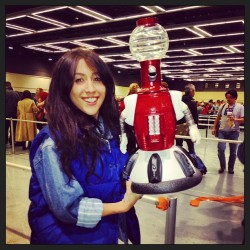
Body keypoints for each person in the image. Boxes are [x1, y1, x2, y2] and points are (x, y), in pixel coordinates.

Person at [28, 48, 142, 244]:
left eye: (97, 78)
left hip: (106, 235)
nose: (91, 88)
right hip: (65, 238)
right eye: (79, 80)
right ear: (65, 87)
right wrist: (122, 206)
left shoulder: (113, 131)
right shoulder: (53, 142)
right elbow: (67, 207)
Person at [212, 89, 244, 174]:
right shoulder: (223, 106)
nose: (228, 99)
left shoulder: (240, 107)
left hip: (234, 132)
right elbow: (218, 117)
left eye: (230, 98)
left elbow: (243, 119)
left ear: (235, 97)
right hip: (222, 131)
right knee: (221, 150)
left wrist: (235, 119)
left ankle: (231, 168)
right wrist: (214, 127)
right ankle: (222, 166)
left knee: (233, 152)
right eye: (227, 98)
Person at [175, 83, 199, 154]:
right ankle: (192, 159)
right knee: (191, 146)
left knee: (179, 146)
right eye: (194, 91)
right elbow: (194, 116)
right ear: (191, 91)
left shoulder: (178, 101)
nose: (194, 93)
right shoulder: (192, 102)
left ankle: (178, 160)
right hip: (189, 127)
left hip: (178, 126)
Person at [5, 81, 20, 146]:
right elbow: (18, 104)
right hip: (14, 114)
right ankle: (12, 141)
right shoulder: (16, 94)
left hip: (5, 114)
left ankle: (5, 141)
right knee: (13, 129)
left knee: (4, 129)